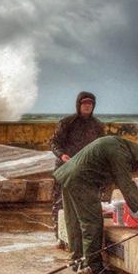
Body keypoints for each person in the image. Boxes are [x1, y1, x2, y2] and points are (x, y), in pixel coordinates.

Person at [53, 135, 138, 274]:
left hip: (69, 176)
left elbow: (104, 171)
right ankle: (92, 266)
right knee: (92, 223)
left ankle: (78, 261)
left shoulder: (117, 144)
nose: (137, 170)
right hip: (81, 181)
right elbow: (124, 183)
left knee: (75, 221)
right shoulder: (121, 153)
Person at [49, 92, 105, 248]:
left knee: (84, 205)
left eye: (90, 103)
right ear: (78, 105)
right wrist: (62, 155)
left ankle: (79, 240)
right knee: (60, 203)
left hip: (85, 171)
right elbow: (54, 142)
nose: (87, 106)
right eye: (84, 103)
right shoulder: (68, 122)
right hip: (65, 168)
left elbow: (101, 148)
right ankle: (60, 236)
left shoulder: (97, 125)